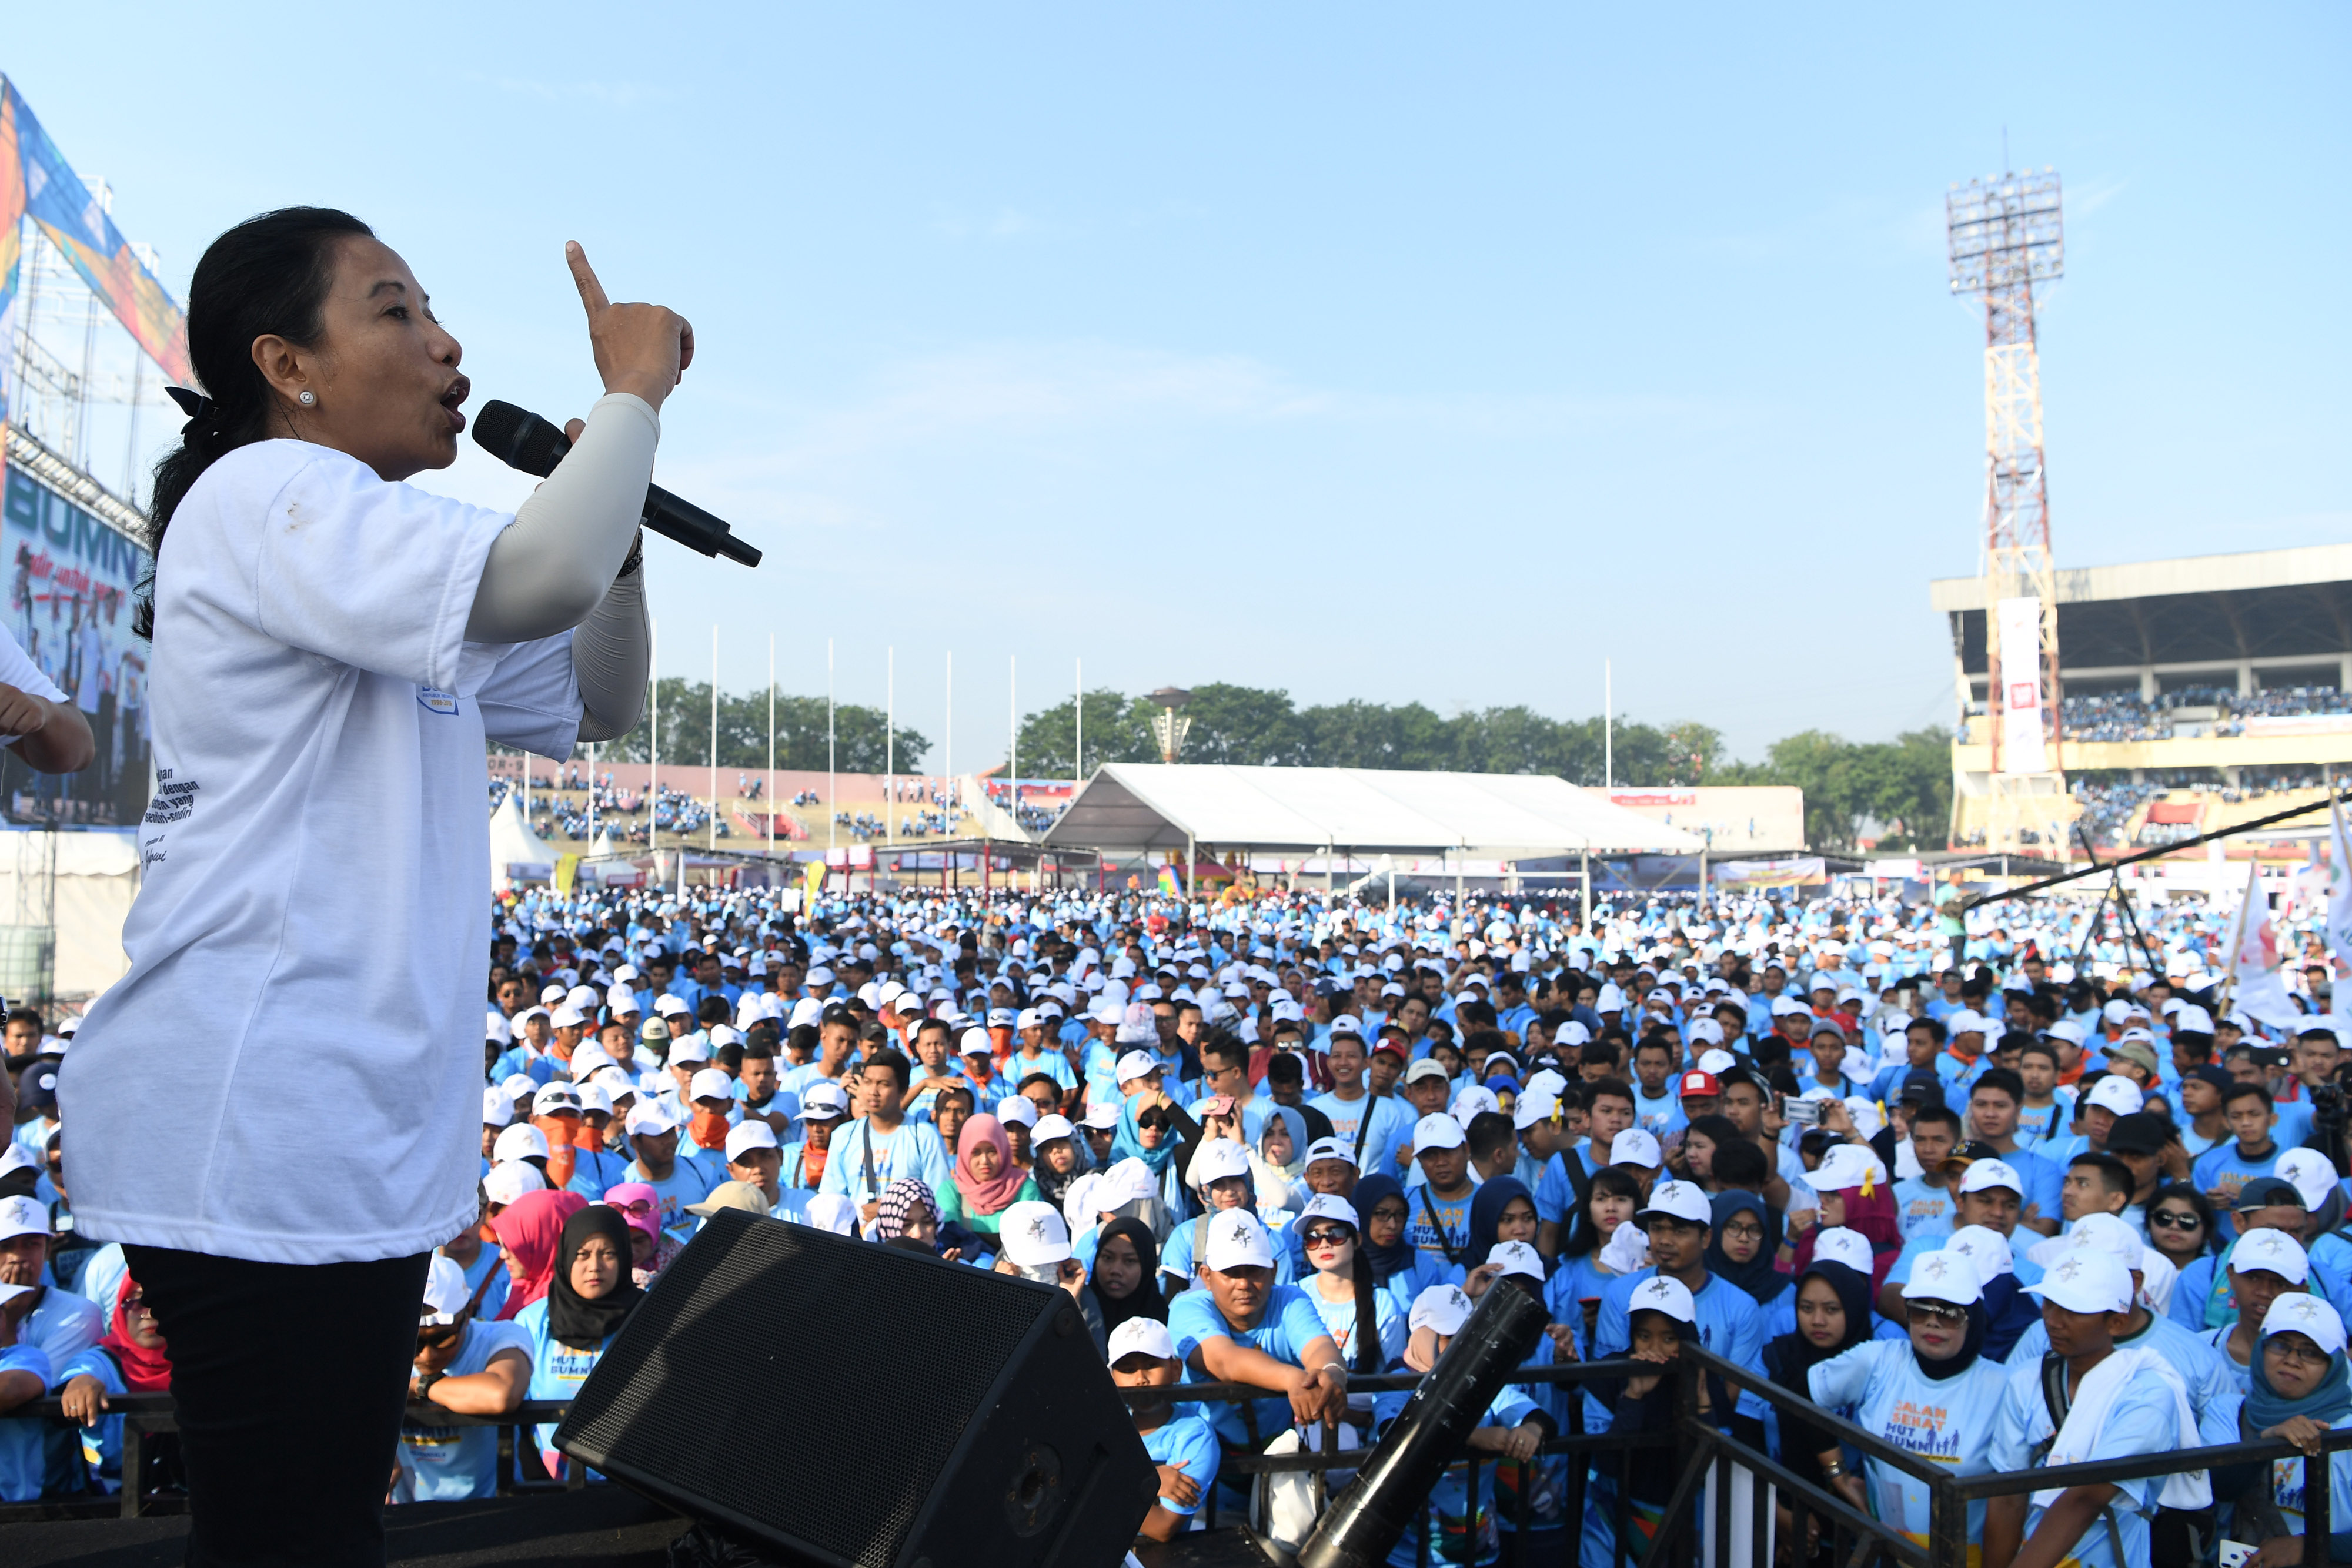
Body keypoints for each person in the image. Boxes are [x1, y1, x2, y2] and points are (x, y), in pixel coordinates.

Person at [59, 211, 679, 1565]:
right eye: (396, 311)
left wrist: (617, 522)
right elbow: (541, 569)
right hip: (254, 1130)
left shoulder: (368, 547)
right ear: (289, 366)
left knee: (312, 1529)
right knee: (293, 1539)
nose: (445, 342)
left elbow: (600, 693)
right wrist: (629, 393)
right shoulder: (269, 497)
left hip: (328, 1144)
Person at [1986, 1249, 2207, 1568]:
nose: (2052, 1320)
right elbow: (2007, 1496)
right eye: (2049, 1303)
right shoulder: (2025, 1381)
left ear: (2116, 1322)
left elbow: (2087, 1497)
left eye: (2072, 1310)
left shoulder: (2149, 1395)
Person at [1806, 1246, 2009, 1554]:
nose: (1933, 1322)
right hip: (1887, 1553)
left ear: (1975, 1318)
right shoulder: (1877, 1360)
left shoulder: (2004, 1386)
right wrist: (1838, 1473)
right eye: (1921, 1310)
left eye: (1949, 1313)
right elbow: (1801, 1396)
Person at [1165, 1210, 1347, 1513]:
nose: (1243, 1283)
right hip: (1203, 1475)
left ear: (1274, 1271)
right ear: (1207, 1277)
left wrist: (1331, 1374)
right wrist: (1294, 1379)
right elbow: (1224, 1362)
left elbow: (1321, 1348)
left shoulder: (1290, 1299)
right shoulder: (1187, 1308)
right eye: (1232, 1272)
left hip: (1277, 1470)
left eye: (1254, 1271)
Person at [1377, 1282, 1548, 1568]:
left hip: (1478, 1552)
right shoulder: (1396, 1383)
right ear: (1421, 1332)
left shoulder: (1479, 1376)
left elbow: (1531, 1413)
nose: (1458, 1347)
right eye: (1448, 1337)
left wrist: (1531, 1430)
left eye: (1466, 1337)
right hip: (1408, 1555)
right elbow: (1394, 1435)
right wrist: (1473, 1437)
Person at [2217, 1292, 2352, 1564]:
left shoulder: (2346, 1429)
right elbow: (2219, 1490)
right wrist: (2265, 1442)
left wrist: (2309, 1547)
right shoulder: (2228, 1410)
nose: (2292, 1360)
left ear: (2333, 1366)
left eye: (2311, 1352)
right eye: (2280, 1345)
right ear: (2260, 1348)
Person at [515, 1204, 643, 1482]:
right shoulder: (532, 1322)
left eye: (608, 1254)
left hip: (627, 1485)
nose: (594, 1267)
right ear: (565, 1257)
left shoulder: (646, 1317)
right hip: (547, 1484)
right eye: (582, 1255)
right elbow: (515, 1419)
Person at [392, 1255, 530, 1502]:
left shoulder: (500, 1337)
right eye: (414, 1343)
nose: (428, 1355)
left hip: (492, 1506)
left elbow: (502, 1394)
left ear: (468, 1313)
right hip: (412, 1511)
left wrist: (419, 1387)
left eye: (443, 1339)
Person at [1106, 1318, 1221, 1544]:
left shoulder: (1194, 1435)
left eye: (1151, 1365)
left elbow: (1163, 1527)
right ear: (1112, 1378)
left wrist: (1099, 1489)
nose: (1141, 1379)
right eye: (1128, 1370)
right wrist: (1148, 1480)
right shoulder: (1105, 1426)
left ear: (1176, 1369)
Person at [490, 1188, 588, 1323]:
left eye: (510, 1246)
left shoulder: (571, 1310)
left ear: (545, 1244)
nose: (502, 1255)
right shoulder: (520, 1287)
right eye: (501, 1245)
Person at [935, 1114, 1039, 1239]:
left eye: (992, 1151)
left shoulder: (1022, 1186)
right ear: (964, 1152)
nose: (984, 1160)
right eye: (976, 1152)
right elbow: (949, 1238)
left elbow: (1032, 1238)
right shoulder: (951, 1190)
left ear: (1003, 1149)